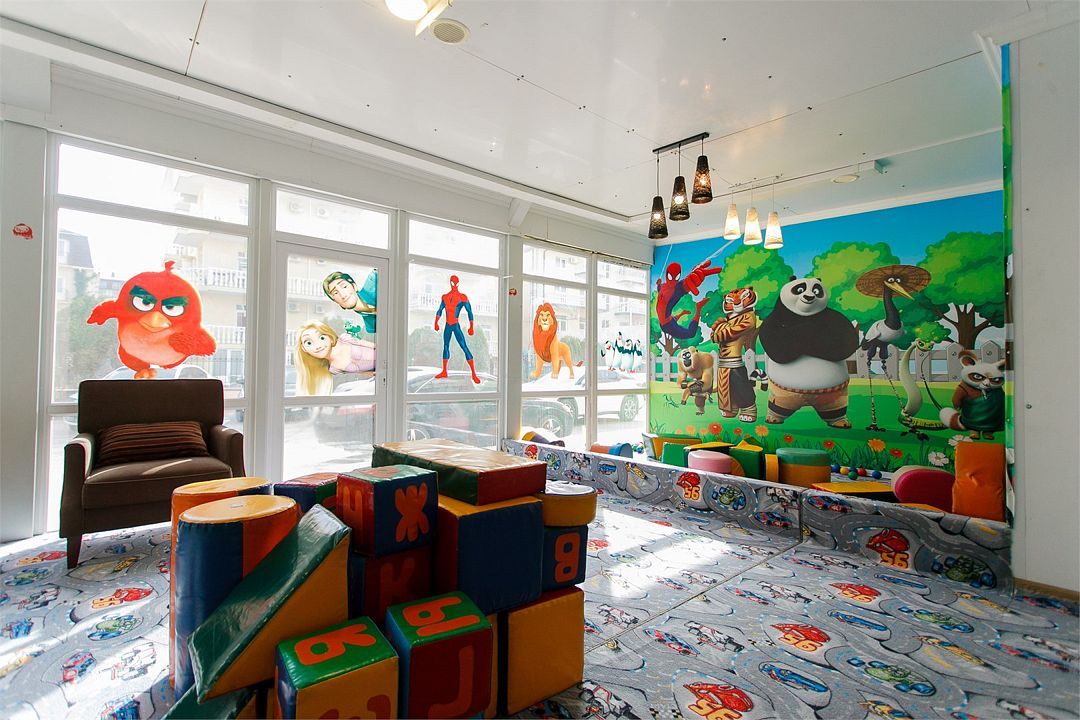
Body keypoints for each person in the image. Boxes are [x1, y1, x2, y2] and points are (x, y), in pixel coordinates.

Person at [294, 321, 375, 395]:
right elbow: (364, 373)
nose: (318, 346)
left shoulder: (344, 339)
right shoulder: (333, 369)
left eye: (322, 338)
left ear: (330, 337)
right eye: (309, 343)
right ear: (304, 348)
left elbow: (372, 345)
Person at [434, 275, 480, 384]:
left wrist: (471, 326)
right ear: (450, 283)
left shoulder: (462, 297)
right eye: (453, 283)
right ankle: (444, 371)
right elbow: (440, 310)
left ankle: (474, 374)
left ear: (458, 283)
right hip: (448, 325)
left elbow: (469, 312)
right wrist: (436, 322)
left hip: (455, 324)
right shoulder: (445, 297)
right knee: (445, 346)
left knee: (464, 347)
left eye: (456, 283)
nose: (454, 285)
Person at [322, 270, 377, 334]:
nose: (343, 295)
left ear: (354, 286)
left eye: (344, 287)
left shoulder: (374, 279)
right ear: (336, 302)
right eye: (336, 293)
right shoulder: (371, 327)